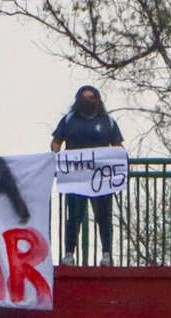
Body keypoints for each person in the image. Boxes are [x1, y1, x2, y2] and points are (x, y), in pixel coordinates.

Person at [50, 85, 124, 267]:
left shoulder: (108, 121)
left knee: (104, 216)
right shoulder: (69, 120)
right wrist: (56, 157)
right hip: (76, 178)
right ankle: (69, 254)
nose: (88, 100)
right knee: (74, 216)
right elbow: (56, 142)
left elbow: (118, 146)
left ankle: (107, 254)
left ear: (98, 100)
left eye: (92, 97)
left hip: (101, 178)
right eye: (85, 98)